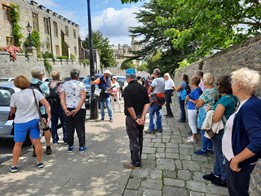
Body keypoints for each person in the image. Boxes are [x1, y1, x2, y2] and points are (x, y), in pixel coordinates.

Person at [222, 68, 261, 196]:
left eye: (232, 83)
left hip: (238, 163)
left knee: (237, 193)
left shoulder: (249, 107)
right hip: (234, 158)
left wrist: (236, 160)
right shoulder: (247, 103)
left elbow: (258, 141)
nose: (231, 85)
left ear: (238, 85)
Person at [9, 75, 51, 172]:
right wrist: (49, 117)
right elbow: (46, 104)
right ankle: (40, 162)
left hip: (20, 122)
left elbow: (13, 111)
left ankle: (14, 165)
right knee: (36, 142)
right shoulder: (35, 92)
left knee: (18, 144)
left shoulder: (14, 96)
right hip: (34, 121)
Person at [202, 75, 238, 187]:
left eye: (218, 84)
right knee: (218, 154)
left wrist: (209, 111)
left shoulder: (224, 99)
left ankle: (224, 179)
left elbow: (216, 118)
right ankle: (216, 173)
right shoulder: (234, 98)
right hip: (227, 130)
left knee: (220, 155)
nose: (216, 86)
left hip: (220, 131)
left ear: (222, 86)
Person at [123, 69, 150, 169]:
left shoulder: (127, 89)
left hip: (132, 118)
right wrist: (142, 117)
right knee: (140, 138)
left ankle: (135, 162)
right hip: (141, 116)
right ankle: (138, 157)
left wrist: (135, 119)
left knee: (133, 139)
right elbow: (147, 103)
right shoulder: (142, 88)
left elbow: (129, 106)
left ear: (128, 78)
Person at [60, 69, 87, 153]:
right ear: (78, 76)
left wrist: (65, 109)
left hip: (68, 107)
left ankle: (70, 146)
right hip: (79, 108)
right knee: (80, 127)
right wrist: (77, 109)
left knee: (69, 128)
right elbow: (83, 97)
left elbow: (62, 98)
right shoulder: (81, 84)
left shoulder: (64, 84)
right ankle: (81, 146)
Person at [194, 73, 218, 155]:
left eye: (203, 79)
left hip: (204, 112)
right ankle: (209, 148)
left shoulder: (206, 92)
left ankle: (204, 149)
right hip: (211, 111)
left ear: (205, 81)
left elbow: (200, 103)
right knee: (209, 129)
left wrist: (196, 106)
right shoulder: (214, 90)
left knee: (203, 130)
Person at [31, 67, 52, 155]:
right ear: (40, 75)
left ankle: (35, 148)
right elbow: (48, 94)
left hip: (31, 111)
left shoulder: (27, 84)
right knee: (45, 129)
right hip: (41, 111)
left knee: (33, 130)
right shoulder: (42, 84)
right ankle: (48, 147)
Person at [47, 71, 67, 144]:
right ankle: (66, 138)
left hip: (52, 106)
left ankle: (55, 139)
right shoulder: (61, 85)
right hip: (60, 106)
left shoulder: (49, 85)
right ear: (58, 77)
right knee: (64, 123)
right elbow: (64, 95)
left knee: (53, 124)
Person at [146, 68, 165, 133]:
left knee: (151, 113)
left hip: (155, 98)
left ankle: (151, 129)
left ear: (155, 74)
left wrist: (148, 93)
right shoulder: (163, 79)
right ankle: (159, 128)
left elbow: (149, 89)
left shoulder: (155, 80)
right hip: (161, 98)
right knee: (159, 113)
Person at [186, 76, 202, 143]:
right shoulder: (198, 89)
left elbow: (197, 101)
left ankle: (194, 137)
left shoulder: (196, 91)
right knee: (192, 123)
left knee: (192, 123)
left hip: (192, 108)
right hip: (192, 108)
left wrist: (189, 99)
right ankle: (193, 135)